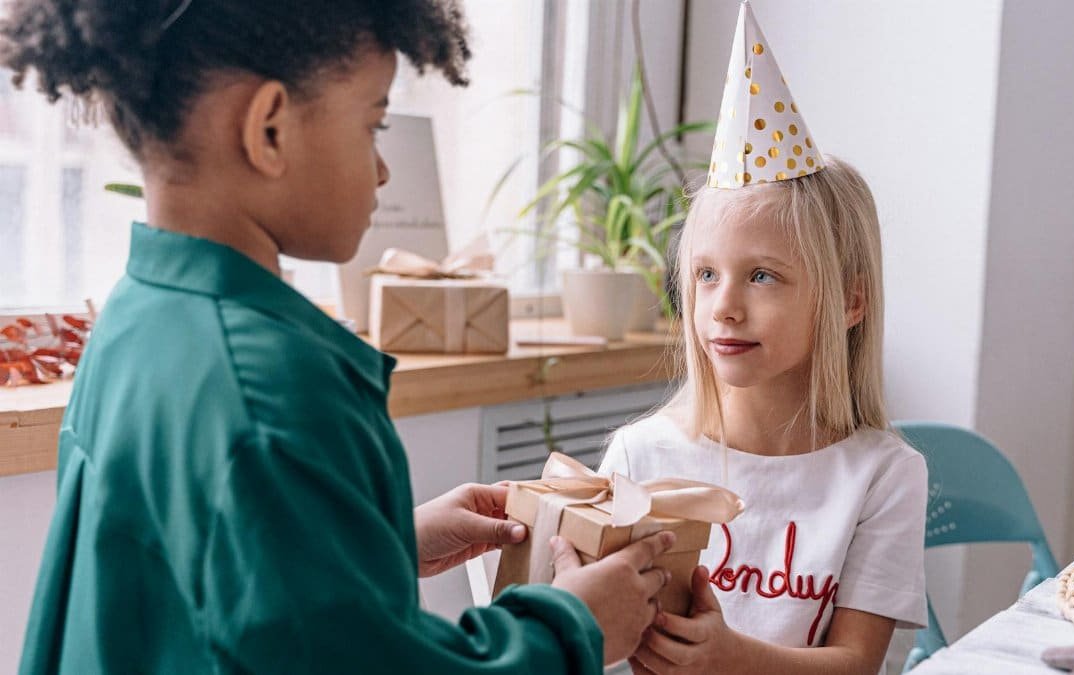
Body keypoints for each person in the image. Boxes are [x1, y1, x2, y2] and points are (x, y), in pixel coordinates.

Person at [0, 1, 672, 672]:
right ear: (268, 129)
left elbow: (194, 576)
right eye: (373, 125)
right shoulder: (272, 385)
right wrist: (573, 626)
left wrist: (377, 544)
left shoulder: (137, 315)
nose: (382, 171)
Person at [597, 5, 927, 673]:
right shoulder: (639, 455)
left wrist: (729, 657)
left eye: (763, 276)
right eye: (706, 274)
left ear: (850, 301)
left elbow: (857, 663)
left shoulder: (882, 475)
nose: (724, 307)